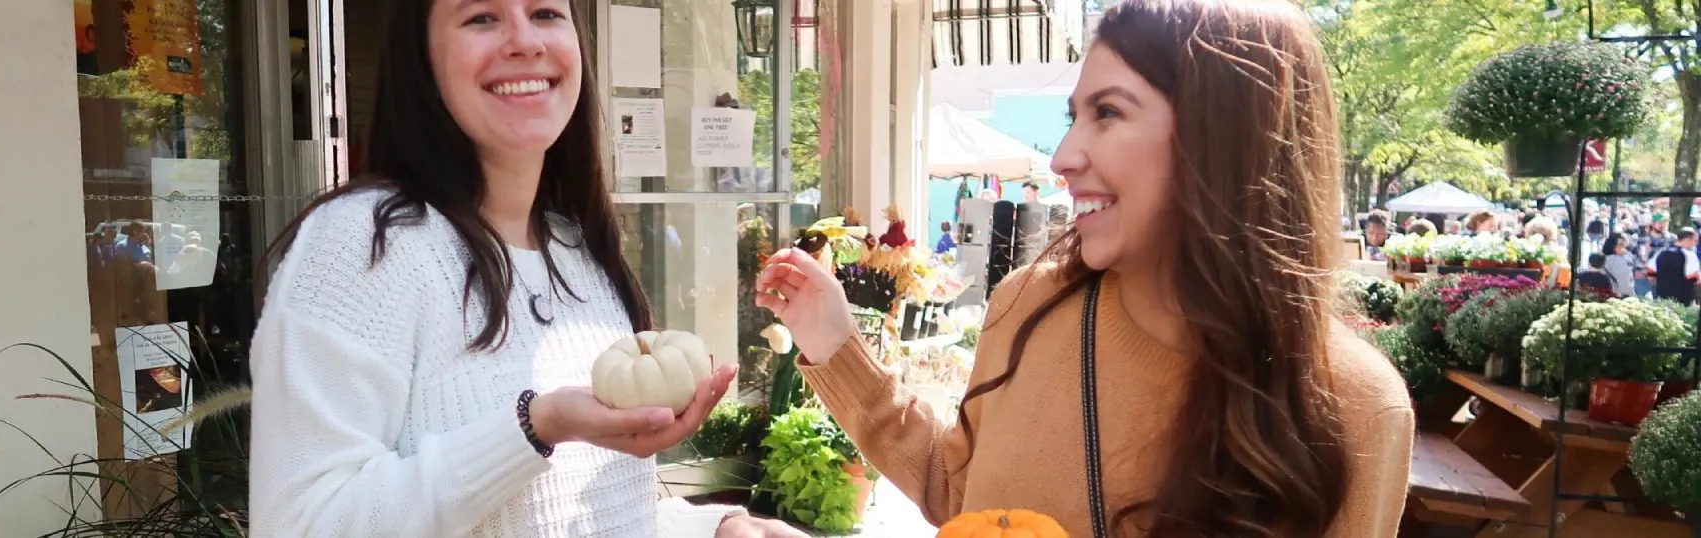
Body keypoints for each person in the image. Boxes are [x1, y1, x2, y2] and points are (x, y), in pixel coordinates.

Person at [754, 1, 1412, 536]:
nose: (1064, 155)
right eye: (1074, 117)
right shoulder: (1027, 307)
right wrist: (836, 347)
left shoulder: (1357, 410)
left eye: (1109, 113)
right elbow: (962, 498)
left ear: (1224, 139)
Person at [246, 1, 799, 536]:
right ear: (423, 57)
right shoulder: (364, 242)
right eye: (481, 17)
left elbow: (586, 512)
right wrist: (535, 427)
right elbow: (300, 524)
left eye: (545, 14)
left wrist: (716, 526)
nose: (526, 42)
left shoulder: (577, 249)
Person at [1652, 228, 1700, 305]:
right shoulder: (1690, 255)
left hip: (1662, 300)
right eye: (1695, 240)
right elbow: (1695, 279)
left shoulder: (1661, 252)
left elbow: (1650, 273)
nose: (1696, 244)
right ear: (1687, 240)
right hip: (1683, 302)